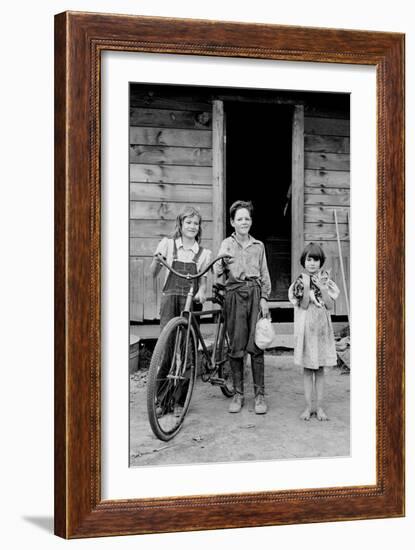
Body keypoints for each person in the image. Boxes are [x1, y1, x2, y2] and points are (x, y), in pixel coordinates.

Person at [214, 200, 271, 414]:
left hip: (255, 294)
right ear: (232, 222)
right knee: (236, 346)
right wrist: (221, 262)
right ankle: (238, 394)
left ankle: (259, 396)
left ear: (251, 221)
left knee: (257, 345)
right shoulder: (226, 244)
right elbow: (218, 272)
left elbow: (264, 274)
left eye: (247, 218)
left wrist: (265, 298)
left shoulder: (259, 246)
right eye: (239, 219)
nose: (244, 222)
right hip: (234, 295)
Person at [288, 243, 340, 421]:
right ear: (303, 262)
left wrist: (322, 288)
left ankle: (319, 408)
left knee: (319, 370)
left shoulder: (326, 280)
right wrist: (308, 287)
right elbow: (302, 304)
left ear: (321, 262)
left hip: (321, 329)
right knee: (308, 370)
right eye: (309, 260)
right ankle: (308, 407)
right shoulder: (300, 281)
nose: (312, 263)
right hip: (306, 329)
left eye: (315, 260)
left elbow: (330, 305)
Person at [150, 206, 212, 330]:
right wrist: (156, 261)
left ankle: (190, 349)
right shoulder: (167, 244)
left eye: (196, 223)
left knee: (188, 339)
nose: (192, 226)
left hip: (191, 302)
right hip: (169, 300)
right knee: (167, 338)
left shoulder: (204, 253)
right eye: (188, 222)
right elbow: (153, 273)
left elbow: (203, 283)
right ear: (180, 224)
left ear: (199, 227)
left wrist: (201, 292)